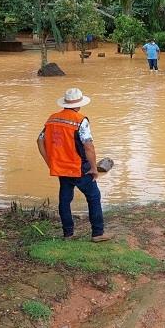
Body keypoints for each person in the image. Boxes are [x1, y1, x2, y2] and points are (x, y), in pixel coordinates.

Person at [37, 88, 113, 242]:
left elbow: (39, 140)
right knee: (94, 197)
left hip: (61, 168)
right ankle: (98, 233)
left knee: (65, 199)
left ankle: (68, 234)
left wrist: (50, 162)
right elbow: (88, 146)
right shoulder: (80, 120)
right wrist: (93, 168)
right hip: (78, 167)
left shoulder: (52, 119)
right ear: (79, 104)